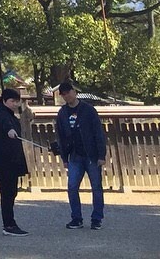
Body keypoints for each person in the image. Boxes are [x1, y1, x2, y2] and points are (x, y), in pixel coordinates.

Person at [54, 79, 106, 230]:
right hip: (74, 155)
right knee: (72, 187)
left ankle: (97, 218)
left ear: (74, 92)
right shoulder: (62, 113)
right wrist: (64, 157)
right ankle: (76, 218)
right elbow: (61, 136)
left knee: (96, 187)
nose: (66, 96)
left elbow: (98, 133)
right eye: (63, 95)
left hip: (91, 154)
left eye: (68, 93)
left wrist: (101, 155)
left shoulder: (88, 110)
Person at [0, 86, 29, 235]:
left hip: (10, 160)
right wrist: (10, 131)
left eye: (17, 101)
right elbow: (6, 125)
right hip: (3, 161)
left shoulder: (9, 113)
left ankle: (10, 223)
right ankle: (9, 225)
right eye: (12, 101)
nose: (15, 104)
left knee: (11, 192)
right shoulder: (1, 114)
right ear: (4, 101)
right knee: (7, 192)